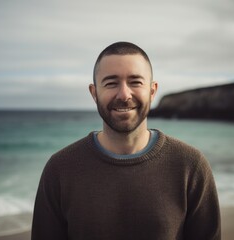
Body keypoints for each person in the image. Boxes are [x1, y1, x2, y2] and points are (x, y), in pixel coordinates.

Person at [31, 41, 221, 240]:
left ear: (152, 90)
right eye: (111, 83)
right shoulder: (60, 168)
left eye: (135, 82)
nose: (124, 94)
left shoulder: (190, 165)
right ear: (94, 93)